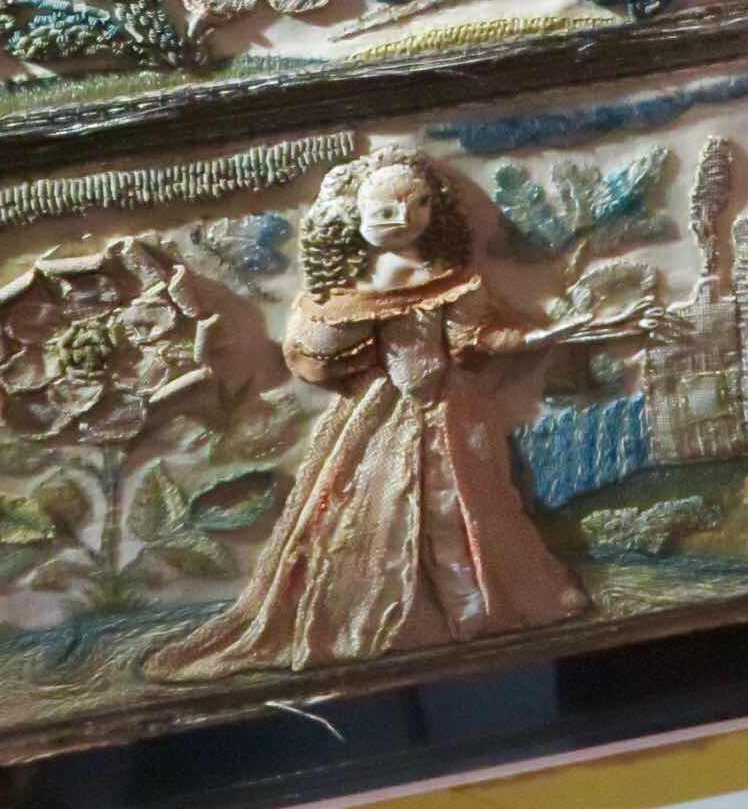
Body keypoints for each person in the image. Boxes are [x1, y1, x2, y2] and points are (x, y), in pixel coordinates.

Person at [146, 149, 680, 680]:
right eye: (384, 210)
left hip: (451, 410)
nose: (403, 220)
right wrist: (349, 318)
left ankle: (473, 608)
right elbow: (314, 357)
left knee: (465, 505)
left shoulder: (447, 280)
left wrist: (558, 332)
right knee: (370, 508)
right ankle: (384, 615)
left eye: (417, 205)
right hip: (381, 415)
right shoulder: (346, 293)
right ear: (352, 216)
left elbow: (478, 338)